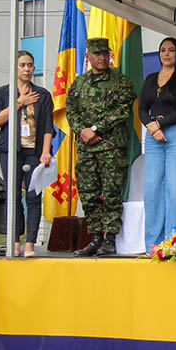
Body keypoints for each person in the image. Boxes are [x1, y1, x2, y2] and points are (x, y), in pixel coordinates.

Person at [67, 38, 137, 256]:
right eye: (97, 54)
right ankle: (95, 238)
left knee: (111, 194)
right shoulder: (79, 83)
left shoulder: (121, 81)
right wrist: (83, 131)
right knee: (89, 194)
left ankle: (110, 239)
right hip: (87, 149)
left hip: (111, 148)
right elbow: (71, 111)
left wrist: (95, 129)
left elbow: (122, 110)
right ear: (87, 56)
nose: (102, 58)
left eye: (105, 53)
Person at [0, 50, 54, 257]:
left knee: (34, 197)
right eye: (22, 65)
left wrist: (46, 152)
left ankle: (30, 244)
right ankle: (15, 242)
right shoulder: (3, 92)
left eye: (30, 65)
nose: (27, 69)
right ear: (15, 67)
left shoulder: (43, 95)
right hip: (10, 152)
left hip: (34, 153)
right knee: (14, 196)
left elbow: (48, 127)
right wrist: (19, 102)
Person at [138, 37, 176, 248]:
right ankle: (153, 246)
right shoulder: (150, 79)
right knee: (152, 190)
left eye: (171, 50)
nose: (166, 54)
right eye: (163, 50)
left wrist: (160, 125)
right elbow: (142, 109)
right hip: (153, 136)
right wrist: (151, 126)